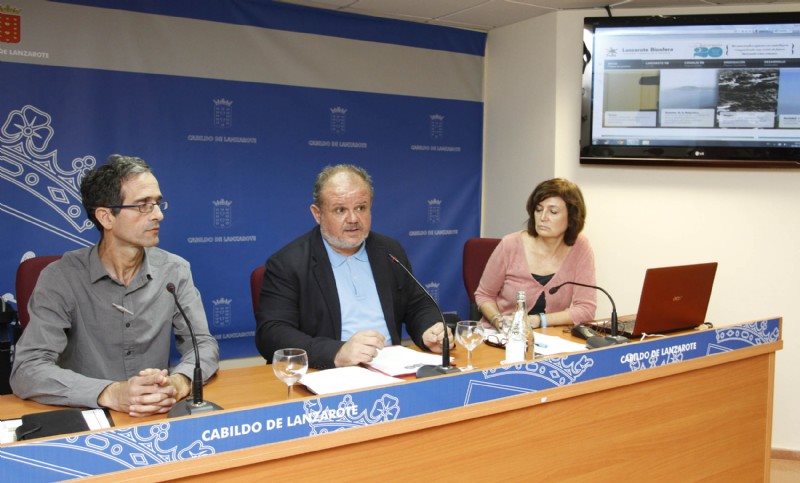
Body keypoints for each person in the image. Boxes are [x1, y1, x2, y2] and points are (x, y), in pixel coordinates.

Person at [10, 155, 219, 417]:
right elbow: (28, 368)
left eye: (157, 203)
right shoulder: (60, 277)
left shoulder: (174, 270)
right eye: (143, 205)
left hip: (155, 414)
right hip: (86, 415)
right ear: (106, 217)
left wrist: (178, 383)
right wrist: (111, 392)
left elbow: (203, 346)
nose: (159, 215)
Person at [256, 164, 452, 369]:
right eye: (340, 210)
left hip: (393, 369)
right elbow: (272, 333)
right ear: (317, 214)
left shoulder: (389, 251)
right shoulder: (288, 263)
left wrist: (429, 330)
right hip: (330, 373)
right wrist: (337, 352)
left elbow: (417, 305)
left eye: (360, 208)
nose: (353, 219)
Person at [475, 178, 596, 331]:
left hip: (549, 339)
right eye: (538, 210)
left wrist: (538, 320)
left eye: (553, 212)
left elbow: (586, 309)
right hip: (499, 335)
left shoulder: (580, 247)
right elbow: (484, 295)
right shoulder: (510, 244)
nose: (543, 217)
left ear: (572, 217)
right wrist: (498, 321)